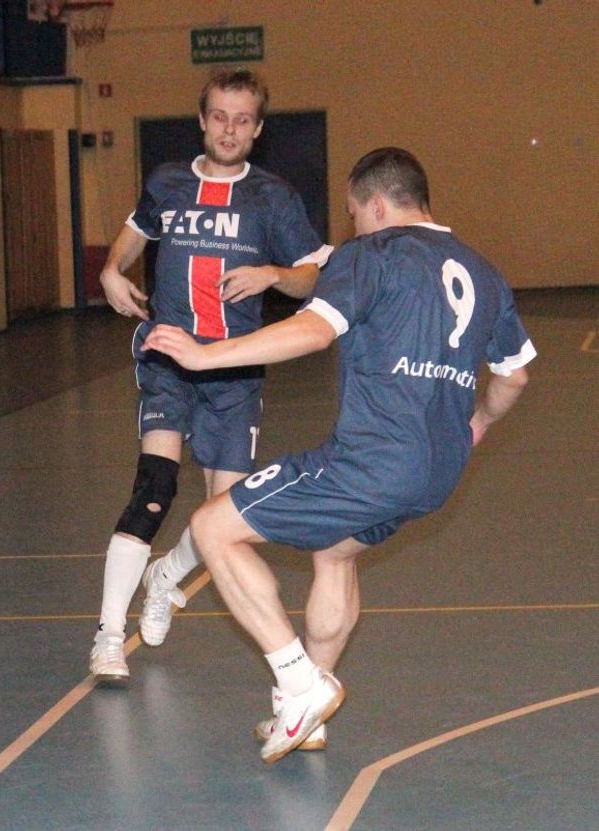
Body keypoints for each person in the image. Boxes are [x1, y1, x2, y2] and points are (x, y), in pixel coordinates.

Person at [141, 147, 534, 763]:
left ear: (376, 205)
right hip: (440, 469)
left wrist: (204, 354)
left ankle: (300, 682)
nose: (352, 227)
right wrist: (478, 421)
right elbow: (515, 377)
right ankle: (306, 721)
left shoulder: (371, 254)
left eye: (353, 214)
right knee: (334, 551)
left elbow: (313, 331)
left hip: (372, 460)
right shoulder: (483, 271)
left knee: (212, 528)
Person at [90, 68, 332, 686]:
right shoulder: (168, 183)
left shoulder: (273, 198)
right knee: (155, 484)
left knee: (226, 513)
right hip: (169, 354)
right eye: (220, 116)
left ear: (257, 130)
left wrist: (275, 275)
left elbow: (312, 273)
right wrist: (112, 273)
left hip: (235, 368)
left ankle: (167, 574)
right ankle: (109, 635)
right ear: (202, 120)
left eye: (243, 120)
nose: (230, 129)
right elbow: (131, 237)